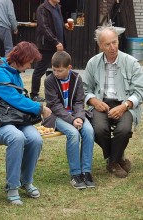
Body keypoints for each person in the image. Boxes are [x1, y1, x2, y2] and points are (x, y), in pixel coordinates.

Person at [0, 41, 52, 205]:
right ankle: (12, 186)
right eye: (29, 62)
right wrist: (39, 108)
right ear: (22, 58)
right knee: (17, 138)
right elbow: (16, 99)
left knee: (35, 139)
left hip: (15, 119)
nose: (30, 66)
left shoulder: (14, 71)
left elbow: (17, 101)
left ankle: (25, 181)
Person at [82, 26, 143, 178]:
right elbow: (83, 89)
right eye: (107, 44)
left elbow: (140, 91)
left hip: (125, 103)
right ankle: (117, 159)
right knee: (98, 129)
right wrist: (94, 101)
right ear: (100, 46)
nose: (112, 47)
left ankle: (112, 161)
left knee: (123, 130)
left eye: (114, 42)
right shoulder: (93, 63)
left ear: (118, 41)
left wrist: (125, 106)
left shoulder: (132, 62)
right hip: (101, 103)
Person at [43, 51, 95, 189]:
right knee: (73, 134)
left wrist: (79, 117)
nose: (56, 73)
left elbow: (79, 101)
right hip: (56, 116)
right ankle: (75, 174)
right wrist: (72, 120)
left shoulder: (77, 78)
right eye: (54, 70)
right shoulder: (49, 81)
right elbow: (55, 106)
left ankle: (86, 172)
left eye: (60, 70)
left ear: (69, 67)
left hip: (75, 115)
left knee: (89, 131)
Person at [30, 0, 72, 102]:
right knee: (39, 70)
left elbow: (57, 23)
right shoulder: (42, 8)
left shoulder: (57, 7)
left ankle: (59, 92)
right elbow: (44, 27)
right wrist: (56, 42)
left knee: (60, 68)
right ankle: (34, 94)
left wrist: (64, 25)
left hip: (58, 44)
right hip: (47, 45)